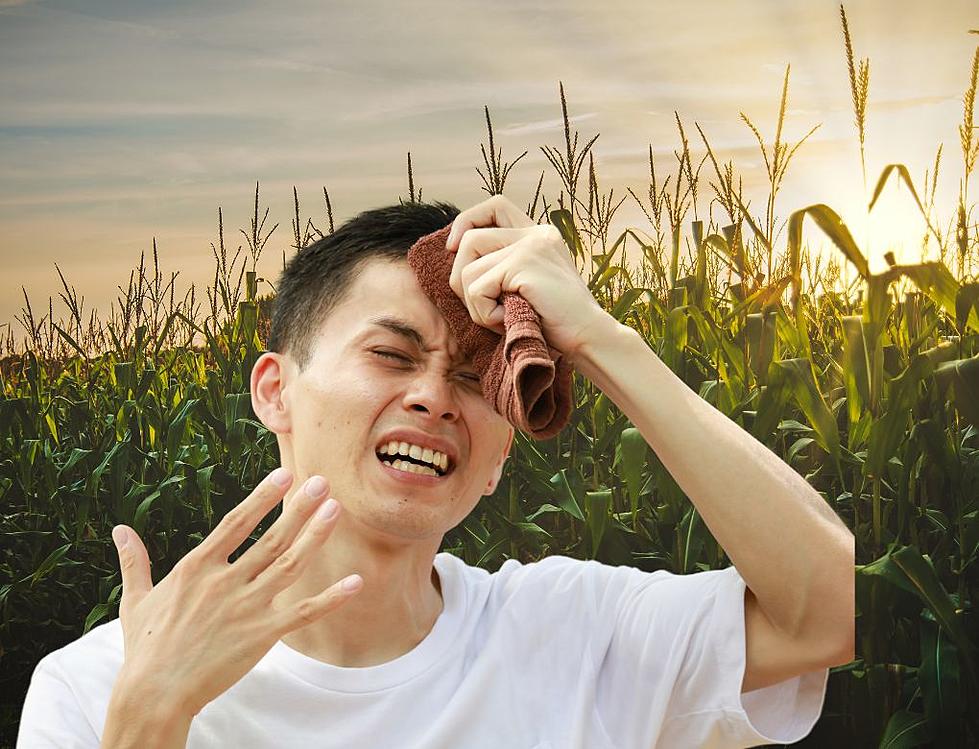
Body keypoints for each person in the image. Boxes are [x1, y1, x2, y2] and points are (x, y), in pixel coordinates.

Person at [18, 195, 854, 748]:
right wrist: (146, 719)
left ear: (498, 458)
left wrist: (597, 336)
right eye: (390, 354)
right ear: (276, 390)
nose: (433, 398)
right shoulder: (95, 686)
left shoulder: (579, 634)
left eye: (470, 377)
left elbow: (835, 612)